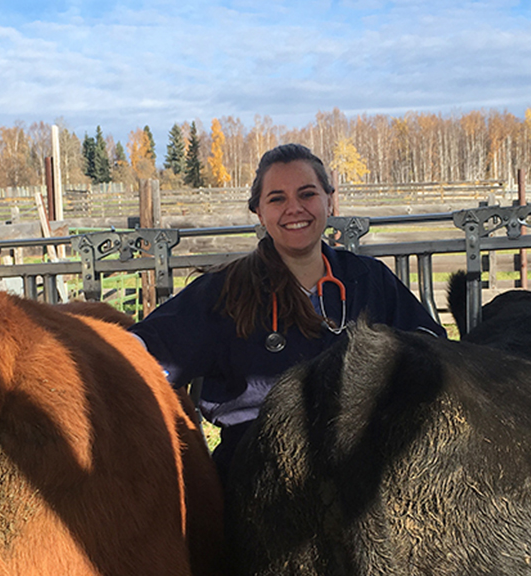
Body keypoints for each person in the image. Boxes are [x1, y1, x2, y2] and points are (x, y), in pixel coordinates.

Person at [130, 143, 445, 484]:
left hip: (361, 471)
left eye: (307, 194)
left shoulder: (368, 279)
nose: (294, 209)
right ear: (259, 212)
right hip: (259, 475)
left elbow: (430, 351)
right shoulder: (225, 290)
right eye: (277, 198)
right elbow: (143, 353)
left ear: (328, 200)